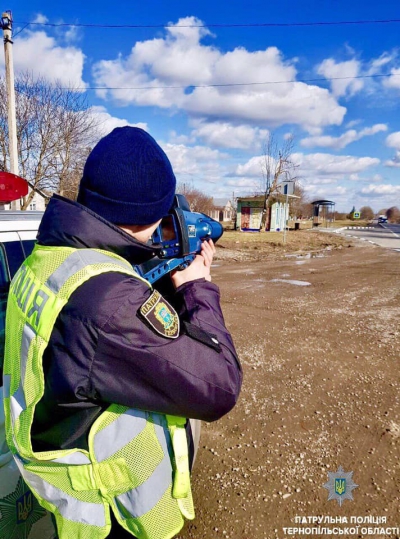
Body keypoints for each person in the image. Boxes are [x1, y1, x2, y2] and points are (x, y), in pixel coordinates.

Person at [3, 127, 242, 539]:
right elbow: (219, 385)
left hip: (58, 475)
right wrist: (195, 286)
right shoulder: (109, 303)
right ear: (153, 212)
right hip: (110, 515)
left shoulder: (47, 260)